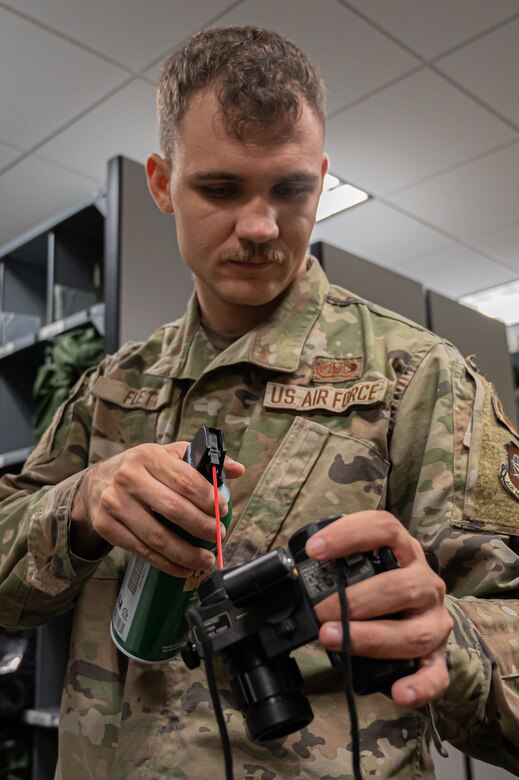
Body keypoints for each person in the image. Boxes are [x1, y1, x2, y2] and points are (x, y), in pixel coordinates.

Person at [0, 25, 518, 780]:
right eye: (219, 189)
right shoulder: (109, 390)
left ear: (321, 178)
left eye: (291, 190)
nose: (258, 228)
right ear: (159, 182)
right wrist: (79, 504)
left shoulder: (419, 378)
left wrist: (453, 638)